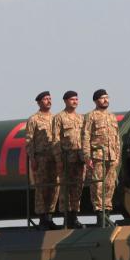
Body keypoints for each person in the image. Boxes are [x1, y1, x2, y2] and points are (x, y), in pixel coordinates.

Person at [82, 88, 121, 227]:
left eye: (107, 97)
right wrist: (87, 156)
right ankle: (100, 218)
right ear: (96, 100)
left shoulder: (112, 117)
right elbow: (85, 137)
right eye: (102, 98)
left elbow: (116, 138)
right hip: (97, 157)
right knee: (97, 187)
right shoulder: (90, 116)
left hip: (112, 157)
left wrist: (117, 157)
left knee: (109, 187)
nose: (106, 100)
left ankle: (107, 215)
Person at [24, 91, 59, 229]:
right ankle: (42, 219)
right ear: (39, 102)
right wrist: (32, 158)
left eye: (50, 98)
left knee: (54, 188)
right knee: (42, 188)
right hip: (41, 158)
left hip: (54, 158)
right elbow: (29, 140)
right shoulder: (34, 119)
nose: (49, 101)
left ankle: (50, 217)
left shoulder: (56, 118)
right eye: (45, 99)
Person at [53, 90, 86, 228]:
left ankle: (74, 217)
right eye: (72, 99)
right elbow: (56, 140)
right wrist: (59, 160)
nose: (75, 102)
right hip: (66, 159)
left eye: (77, 99)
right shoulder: (59, 117)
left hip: (79, 159)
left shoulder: (81, 118)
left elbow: (85, 137)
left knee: (77, 189)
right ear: (66, 101)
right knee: (66, 189)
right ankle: (67, 218)